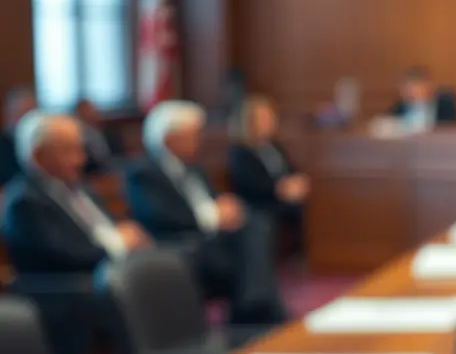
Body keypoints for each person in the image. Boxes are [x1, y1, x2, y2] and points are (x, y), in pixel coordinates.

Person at [126, 101, 283, 323]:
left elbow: (211, 201)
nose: (198, 141)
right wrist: (212, 215)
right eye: (190, 135)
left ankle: (256, 306)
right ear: (168, 139)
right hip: (182, 244)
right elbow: (159, 216)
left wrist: (226, 209)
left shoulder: (194, 168)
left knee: (255, 223)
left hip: (212, 239)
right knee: (247, 247)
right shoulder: (144, 173)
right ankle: (256, 309)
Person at [2, 113, 150, 273]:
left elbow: (107, 228)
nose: (81, 160)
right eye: (69, 151)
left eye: (80, 149)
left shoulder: (79, 188)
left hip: (115, 272)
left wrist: (129, 236)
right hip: (73, 289)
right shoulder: (25, 202)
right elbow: (68, 256)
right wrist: (119, 244)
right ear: (39, 156)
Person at [227, 96, 308, 251]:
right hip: (259, 202)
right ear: (249, 122)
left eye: (270, 117)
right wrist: (280, 189)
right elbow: (250, 183)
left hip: (281, 197)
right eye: (263, 118)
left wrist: (296, 182)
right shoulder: (240, 152)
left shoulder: (274, 146)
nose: (269, 122)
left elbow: (290, 169)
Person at [389, 67, 456, 131]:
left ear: (429, 87)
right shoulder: (399, 107)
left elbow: (449, 128)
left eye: (417, 86)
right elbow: (389, 125)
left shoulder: (445, 104)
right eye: (409, 88)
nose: (412, 92)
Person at [73, 99, 124, 175]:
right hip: (96, 174)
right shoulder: (80, 136)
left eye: (93, 110)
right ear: (80, 114)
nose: (94, 113)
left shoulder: (99, 131)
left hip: (110, 165)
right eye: (89, 111)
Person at [0, 87, 37, 186]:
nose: (32, 119)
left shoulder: (37, 143)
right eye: (25, 113)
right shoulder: (3, 145)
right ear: (10, 114)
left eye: (34, 113)